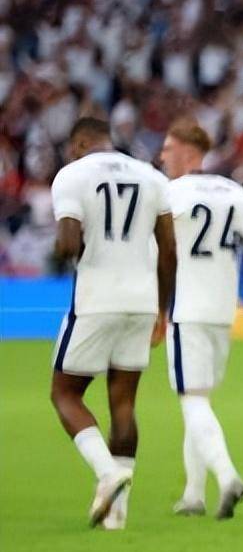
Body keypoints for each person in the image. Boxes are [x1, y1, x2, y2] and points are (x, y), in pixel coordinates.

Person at [49, 117, 176, 529]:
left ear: (80, 143)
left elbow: (68, 243)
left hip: (95, 299)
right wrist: (162, 309)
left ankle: (108, 473)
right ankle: (116, 516)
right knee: (123, 403)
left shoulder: (72, 175)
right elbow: (169, 250)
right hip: (142, 301)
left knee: (65, 394)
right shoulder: (151, 177)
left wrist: (60, 252)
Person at [160, 119, 243, 520]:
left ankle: (227, 477)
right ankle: (193, 494)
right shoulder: (234, 192)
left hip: (186, 308)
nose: (162, 156)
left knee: (192, 399)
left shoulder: (172, 193)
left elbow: (156, 251)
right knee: (199, 400)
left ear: (188, 152)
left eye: (168, 148)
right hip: (223, 311)